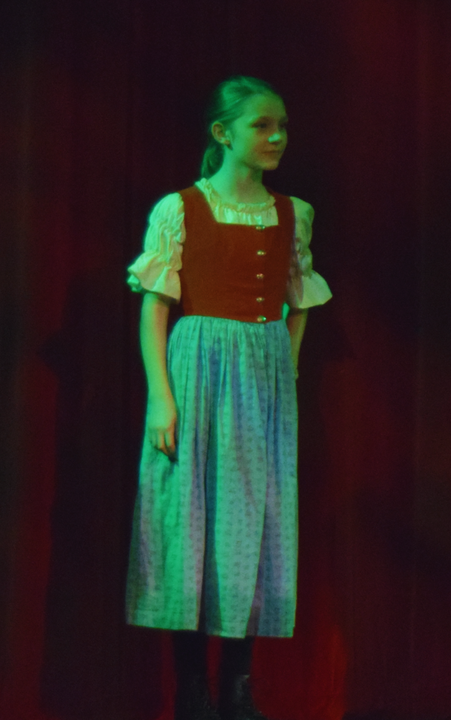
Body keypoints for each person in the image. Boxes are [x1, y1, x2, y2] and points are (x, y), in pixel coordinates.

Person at [125, 76, 331, 720]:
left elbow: (300, 298)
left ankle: (239, 686)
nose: (276, 138)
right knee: (187, 519)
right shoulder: (180, 207)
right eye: (262, 126)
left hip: (261, 371)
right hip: (196, 366)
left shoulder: (291, 211)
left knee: (252, 520)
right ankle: (192, 689)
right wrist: (162, 397)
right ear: (223, 134)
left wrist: (286, 365)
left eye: (283, 126)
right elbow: (155, 307)